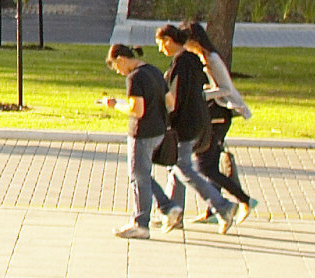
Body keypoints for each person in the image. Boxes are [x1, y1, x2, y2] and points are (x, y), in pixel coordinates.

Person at [157, 22, 244, 231]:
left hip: (185, 126)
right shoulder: (192, 61)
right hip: (194, 123)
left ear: (169, 40)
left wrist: (163, 116)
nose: (160, 50)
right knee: (177, 167)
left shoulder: (182, 64)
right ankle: (173, 213)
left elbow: (176, 100)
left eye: (161, 44)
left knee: (183, 168)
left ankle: (222, 206)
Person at [102, 39, 187, 235]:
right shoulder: (154, 71)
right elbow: (170, 102)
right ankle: (168, 207)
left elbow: (137, 110)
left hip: (141, 133)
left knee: (138, 178)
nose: (118, 71)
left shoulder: (135, 78)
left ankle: (141, 224)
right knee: (144, 175)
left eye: (116, 66)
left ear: (121, 59)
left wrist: (116, 104)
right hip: (158, 130)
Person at [184, 16, 259, 216]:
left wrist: (201, 95)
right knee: (208, 164)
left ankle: (243, 200)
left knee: (205, 167)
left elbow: (226, 89)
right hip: (213, 112)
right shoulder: (203, 58)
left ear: (194, 40)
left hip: (220, 114)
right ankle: (215, 210)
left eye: (186, 42)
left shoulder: (212, 59)